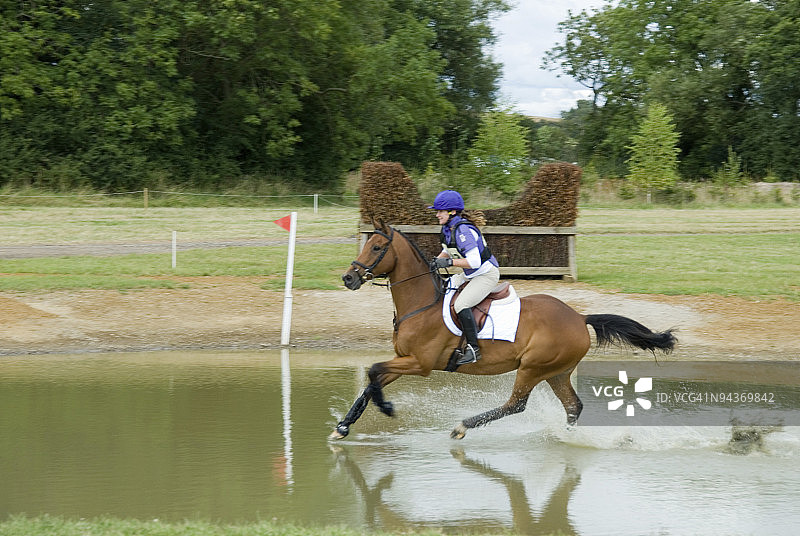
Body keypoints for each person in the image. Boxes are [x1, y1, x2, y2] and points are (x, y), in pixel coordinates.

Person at [429, 190, 500, 365]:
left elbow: (475, 261)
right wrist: (437, 261)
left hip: (485, 275)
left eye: (440, 211)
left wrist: (450, 263)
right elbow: (448, 249)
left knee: (461, 304)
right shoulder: (448, 228)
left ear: (452, 212)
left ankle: (474, 349)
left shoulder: (463, 230)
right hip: (470, 274)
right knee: (445, 289)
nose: (437, 215)